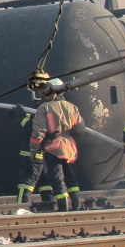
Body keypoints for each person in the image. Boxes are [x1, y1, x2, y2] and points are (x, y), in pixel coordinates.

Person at [28, 77, 84, 212]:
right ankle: (75, 206)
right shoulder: (72, 107)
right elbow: (80, 129)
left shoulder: (44, 108)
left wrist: (34, 149)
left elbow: (38, 132)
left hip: (53, 148)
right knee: (71, 178)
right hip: (70, 147)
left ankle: (63, 209)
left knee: (57, 179)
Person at [13, 104, 54, 205]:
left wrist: (20, 117)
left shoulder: (42, 111)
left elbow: (31, 128)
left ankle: (20, 207)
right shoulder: (49, 109)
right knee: (46, 184)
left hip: (32, 154)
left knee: (26, 183)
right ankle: (49, 207)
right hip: (45, 154)